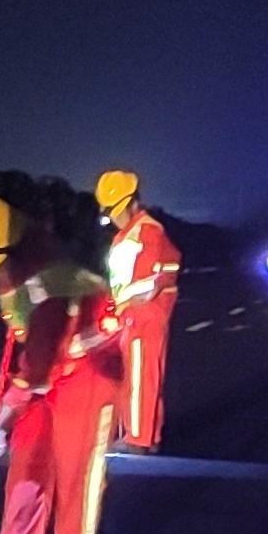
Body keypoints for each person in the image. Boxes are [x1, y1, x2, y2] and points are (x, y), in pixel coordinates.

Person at [0, 192, 118, 534]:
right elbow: (22, 349)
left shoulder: (52, 283)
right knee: (27, 455)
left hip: (90, 373)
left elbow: (38, 362)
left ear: (14, 250)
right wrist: (5, 418)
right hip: (51, 368)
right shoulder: (14, 271)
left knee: (76, 466)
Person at [98, 168, 182, 453]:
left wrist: (129, 304)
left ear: (132, 201)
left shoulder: (148, 230)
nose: (114, 216)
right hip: (132, 314)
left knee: (141, 378)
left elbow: (157, 277)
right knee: (139, 376)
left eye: (117, 209)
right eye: (110, 211)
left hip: (145, 313)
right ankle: (147, 436)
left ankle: (138, 440)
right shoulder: (124, 236)